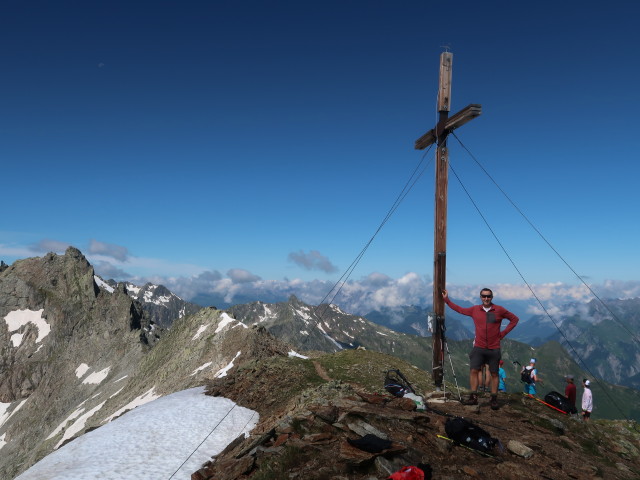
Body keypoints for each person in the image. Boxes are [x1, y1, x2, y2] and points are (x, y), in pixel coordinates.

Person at [442, 288, 519, 410]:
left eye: (488, 296)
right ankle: (473, 397)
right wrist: (447, 300)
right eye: (484, 296)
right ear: (480, 297)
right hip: (479, 346)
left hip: (494, 347)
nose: (486, 298)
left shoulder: (499, 310)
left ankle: (493, 399)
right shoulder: (475, 309)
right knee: (473, 371)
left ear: (492, 297)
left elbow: (514, 319)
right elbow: (460, 310)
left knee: (494, 373)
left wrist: (503, 334)